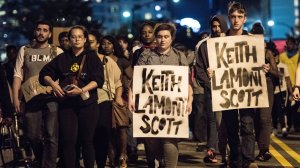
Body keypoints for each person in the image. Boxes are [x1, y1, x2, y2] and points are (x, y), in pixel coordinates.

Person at [207, 2, 270, 168]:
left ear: (245, 19)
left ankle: (248, 160)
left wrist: (264, 68)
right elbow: (214, 66)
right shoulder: (219, 42)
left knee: (248, 125)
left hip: (247, 92)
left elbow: (259, 65)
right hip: (227, 92)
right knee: (231, 128)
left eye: (239, 17)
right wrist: (211, 72)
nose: (236, 20)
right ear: (229, 18)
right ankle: (235, 159)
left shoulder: (252, 41)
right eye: (233, 17)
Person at [128, 23, 193, 168]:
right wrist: (131, 97)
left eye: (166, 37)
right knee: (151, 139)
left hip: (172, 106)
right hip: (149, 104)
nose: (162, 40)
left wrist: (190, 100)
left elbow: (187, 81)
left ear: (172, 38)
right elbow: (136, 79)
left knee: (169, 139)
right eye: (159, 37)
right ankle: (155, 163)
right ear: (155, 38)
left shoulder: (179, 56)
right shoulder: (146, 55)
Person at [39, 25, 104, 168]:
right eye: (73, 37)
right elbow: (44, 74)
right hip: (67, 105)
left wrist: (81, 90)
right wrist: (53, 84)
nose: (77, 39)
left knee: (87, 141)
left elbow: (98, 80)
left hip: (88, 105)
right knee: (68, 141)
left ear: (85, 39)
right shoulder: (63, 57)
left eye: (80, 36)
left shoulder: (92, 56)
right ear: (69, 39)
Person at [12, 20, 63, 168]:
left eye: (45, 30)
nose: (41, 33)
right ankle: (42, 161)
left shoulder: (56, 51)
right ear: (35, 32)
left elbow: (63, 74)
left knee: (51, 135)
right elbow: (17, 75)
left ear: (50, 33)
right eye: (39, 29)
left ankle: (49, 166)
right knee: (33, 136)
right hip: (31, 99)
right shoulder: (24, 50)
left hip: (51, 98)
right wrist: (16, 98)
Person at [194, 14, 228, 164]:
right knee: (213, 120)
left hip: (231, 88)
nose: (217, 29)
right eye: (214, 26)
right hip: (211, 89)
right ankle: (212, 150)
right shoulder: (204, 45)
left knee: (229, 120)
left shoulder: (232, 43)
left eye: (219, 26)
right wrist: (209, 83)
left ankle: (228, 151)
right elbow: (199, 68)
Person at [88, 31, 124, 168]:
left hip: (103, 101)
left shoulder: (107, 61)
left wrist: (118, 97)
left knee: (102, 136)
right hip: (84, 102)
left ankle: (102, 164)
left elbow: (118, 83)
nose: (88, 44)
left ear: (97, 44)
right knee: (87, 137)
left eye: (91, 42)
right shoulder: (78, 60)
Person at [99, 35, 132, 167]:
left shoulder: (122, 61)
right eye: (103, 43)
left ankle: (123, 155)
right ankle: (112, 160)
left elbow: (132, 77)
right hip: (103, 98)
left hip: (120, 98)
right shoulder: (97, 59)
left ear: (114, 45)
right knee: (109, 130)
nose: (106, 46)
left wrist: (126, 90)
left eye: (109, 43)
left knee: (122, 128)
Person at [250, 22, 279, 162]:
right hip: (251, 86)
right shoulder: (247, 51)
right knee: (255, 118)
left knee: (264, 118)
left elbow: (277, 73)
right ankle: (260, 146)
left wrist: (269, 70)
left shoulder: (267, 53)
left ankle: (264, 149)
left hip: (266, 85)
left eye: (259, 36)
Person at [269, 40, 292, 137]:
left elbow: (287, 79)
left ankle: (283, 127)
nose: (275, 58)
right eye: (273, 56)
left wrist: (290, 92)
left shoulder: (283, 66)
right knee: (273, 110)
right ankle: (274, 128)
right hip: (272, 91)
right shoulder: (269, 67)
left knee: (281, 109)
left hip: (281, 91)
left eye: (276, 56)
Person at [280, 36, 300, 131]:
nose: (289, 45)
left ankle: (297, 125)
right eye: (288, 43)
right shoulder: (282, 56)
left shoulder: (298, 56)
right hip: (286, 85)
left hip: (297, 84)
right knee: (288, 107)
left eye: (291, 43)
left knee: (297, 106)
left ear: (295, 45)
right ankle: (289, 124)